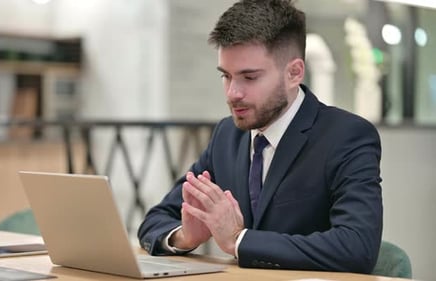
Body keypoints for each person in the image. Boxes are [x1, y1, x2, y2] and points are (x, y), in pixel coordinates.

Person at [138, 0, 382, 274]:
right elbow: (155, 221)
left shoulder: (347, 136)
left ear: (294, 73)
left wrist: (239, 240)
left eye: (249, 77)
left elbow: (357, 247)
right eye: (226, 76)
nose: (232, 93)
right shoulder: (226, 135)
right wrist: (185, 236)